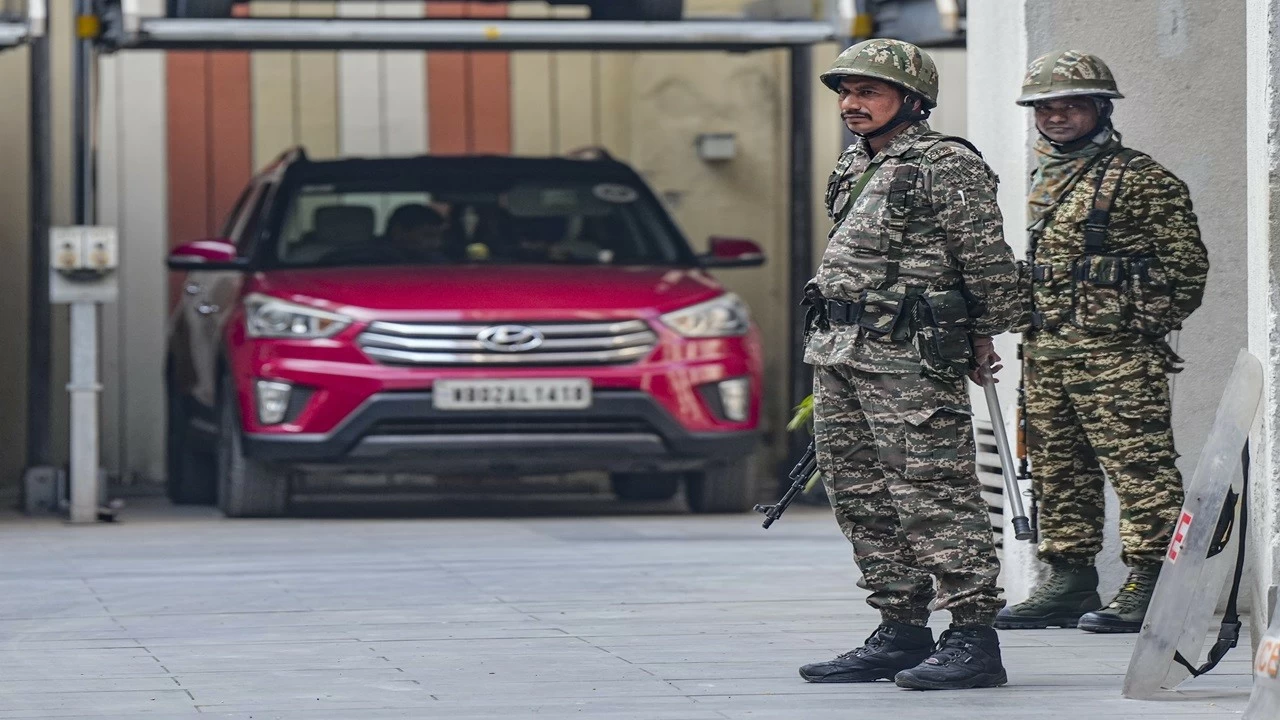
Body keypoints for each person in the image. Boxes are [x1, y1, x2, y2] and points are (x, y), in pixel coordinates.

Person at [797, 38, 1022, 691]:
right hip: (840, 350)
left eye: (867, 91)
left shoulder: (945, 164)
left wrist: (983, 333)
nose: (851, 104)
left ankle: (974, 638)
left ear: (912, 99)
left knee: (933, 491)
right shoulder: (851, 165)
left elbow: (984, 258)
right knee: (859, 494)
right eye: (846, 92)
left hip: (910, 359)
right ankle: (901, 629)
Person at [993, 51, 1208, 634]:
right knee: (1059, 473)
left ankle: (1149, 581)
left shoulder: (1142, 179)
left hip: (1116, 361)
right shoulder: (1046, 176)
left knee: (1141, 471)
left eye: (1071, 104)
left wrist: (1124, 326)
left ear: (1100, 109)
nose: (1056, 115)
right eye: (1045, 105)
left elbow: (1185, 274)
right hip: (1045, 356)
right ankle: (1067, 579)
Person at [384, 203, 450, 262]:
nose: (437, 243)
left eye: (440, 236)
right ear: (398, 232)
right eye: (428, 235)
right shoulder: (381, 261)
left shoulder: (436, 260)